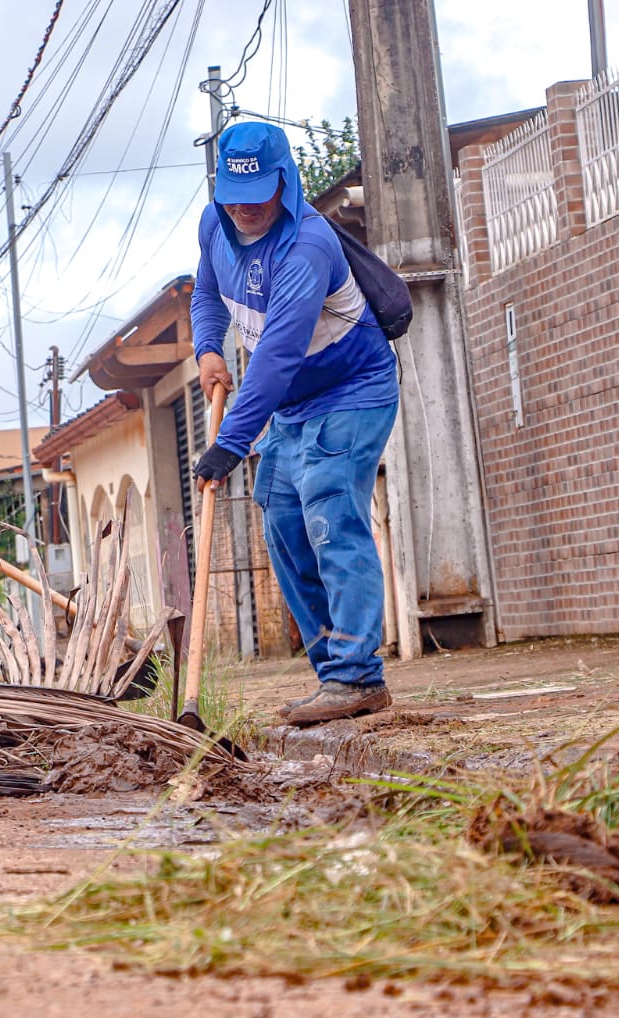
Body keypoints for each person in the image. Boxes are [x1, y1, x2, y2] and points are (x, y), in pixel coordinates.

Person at [189, 121, 400, 726]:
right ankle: (337, 676)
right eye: (231, 195)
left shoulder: (305, 246)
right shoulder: (216, 227)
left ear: (286, 183)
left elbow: (278, 353)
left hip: (352, 390)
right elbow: (206, 293)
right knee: (282, 519)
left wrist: (231, 442)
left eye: (256, 196)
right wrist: (209, 350)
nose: (244, 209)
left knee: (330, 510)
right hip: (293, 404)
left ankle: (359, 673)